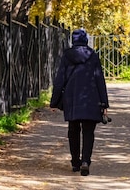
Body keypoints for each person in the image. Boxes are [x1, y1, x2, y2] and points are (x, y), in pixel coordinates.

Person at [50, 28, 109, 176]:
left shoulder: (67, 56)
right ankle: (85, 161)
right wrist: (104, 103)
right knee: (89, 131)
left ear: (73, 40)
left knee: (73, 130)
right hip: (91, 98)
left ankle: (75, 162)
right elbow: (99, 79)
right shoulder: (93, 56)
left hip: (72, 99)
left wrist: (54, 101)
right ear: (86, 40)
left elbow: (59, 80)